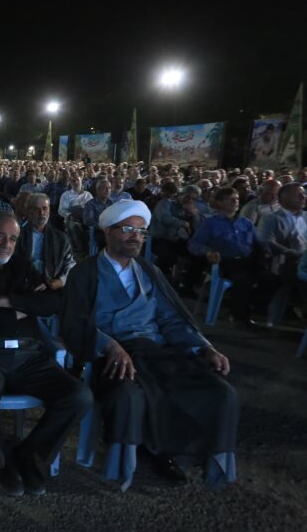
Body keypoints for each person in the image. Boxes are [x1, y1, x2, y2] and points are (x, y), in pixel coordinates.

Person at [59, 200, 238, 491]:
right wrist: (111, 346)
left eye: (141, 232)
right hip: (112, 356)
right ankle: (139, 457)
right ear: (108, 231)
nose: (136, 237)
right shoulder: (85, 273)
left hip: (156, 352)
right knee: (129, 394)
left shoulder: (149, 271)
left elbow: (171, 320)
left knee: (221, 392)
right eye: (128, 229)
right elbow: (75, 323)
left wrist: (204, 347)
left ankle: (177, 451)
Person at [0, 211, 92, 495]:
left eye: (13, 238)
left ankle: (29, 454)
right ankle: (3, 460)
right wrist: (24, 306)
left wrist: (3, 301)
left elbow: (53, 302)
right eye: (0, 236)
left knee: (79, 396)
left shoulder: (24, 267)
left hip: (29, 356)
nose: (6, 244)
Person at [188, 187, 275, 329]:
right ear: (219, 202)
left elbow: (259, 242)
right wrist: (208, 252)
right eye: (231, 199)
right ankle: (239, 316)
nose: (236, 202)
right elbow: (194, 244)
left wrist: (266, 251)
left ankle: (247, 307)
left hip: (247, 261)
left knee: (273, 280)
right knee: (244, 279)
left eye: (237, 199)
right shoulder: (210, 223)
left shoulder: (245, 222)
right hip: (225, 262)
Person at [15, 194, 75, 289]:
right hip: (23, 285)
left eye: (44, 208)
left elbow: (70, 264)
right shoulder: (17, 236)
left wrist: (61, 281)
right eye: (36, 209)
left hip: (52, 285)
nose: (41, 213)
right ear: (29, 212)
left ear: (49, 211)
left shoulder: (60, 238)